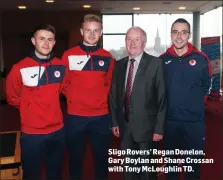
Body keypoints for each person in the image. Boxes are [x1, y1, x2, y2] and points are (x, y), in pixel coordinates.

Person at [6, 24, 66, 180]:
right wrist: (30, 107)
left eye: (50, 39)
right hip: (32, 134)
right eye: (41, 39)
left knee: (55, 174)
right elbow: (12, 97)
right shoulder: (19, 68)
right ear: (33, 41)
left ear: (54, 43)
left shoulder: (61, 65)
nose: (46, 43)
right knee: (32, 175)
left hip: (58, 131)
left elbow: (61, 90)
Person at [109, 26, 168, 180]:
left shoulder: (156, 64)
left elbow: (162, 98)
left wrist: (159, 129)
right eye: (129, 39)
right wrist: (115, 122)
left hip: (148, 129)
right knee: (129, 171)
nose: (132, 43)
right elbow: (114, 96)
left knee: (148, 172)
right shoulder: (119, 65)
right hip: (124, 128)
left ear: (144, 42)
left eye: (137, 39)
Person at [61, 14, 115, 180]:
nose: (92, 34)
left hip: (101, 117)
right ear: (81, 31)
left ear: (101, 33)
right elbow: (63, 84)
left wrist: (98, 99)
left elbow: (110, 85)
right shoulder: (68, 55)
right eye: (88, 30)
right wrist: (76, 98)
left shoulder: (107, 57)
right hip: (75, 117)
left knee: (101, 159)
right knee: (75, 159)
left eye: (96, 31)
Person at [159, 18, 212, 180]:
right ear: (171, 35)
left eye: (183, 32)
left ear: (189, 35)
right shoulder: (161, 60)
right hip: (170, 124)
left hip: (194, 124)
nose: (179, 36)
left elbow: (206, 86)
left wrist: (193, 104)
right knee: (171, 168)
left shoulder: (201, 58)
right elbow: (159, 90)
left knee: (192, 169)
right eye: (175, 32)